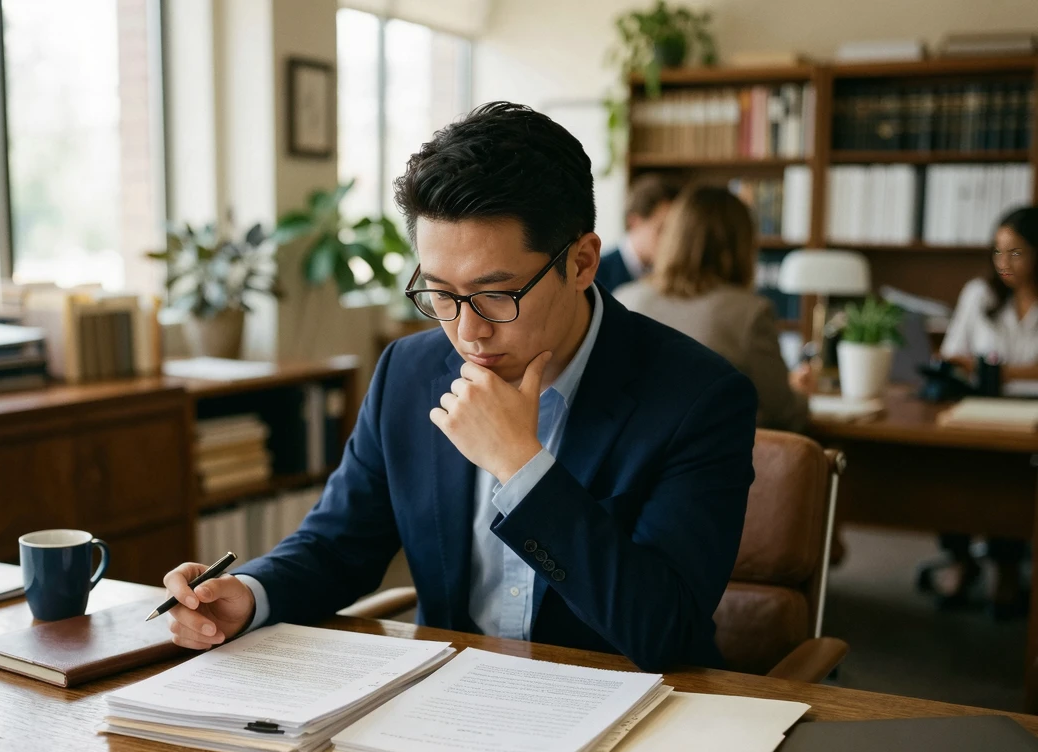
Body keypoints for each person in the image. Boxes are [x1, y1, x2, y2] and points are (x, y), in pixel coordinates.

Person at [161, 102, 758, 672]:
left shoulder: (699, 398)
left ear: (581, 263)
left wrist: (521, 467)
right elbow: (337, 545)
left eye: (498, 293)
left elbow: (662, 631)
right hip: (449, 703)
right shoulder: (407, 373)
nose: (467, 332)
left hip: (631, 711)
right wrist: (249, 593)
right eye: (440, 293)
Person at [614, 184, 811, 433]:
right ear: (742, 245)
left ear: (674, 236)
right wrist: (801, 394)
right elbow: (783, 413)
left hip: (623, 464)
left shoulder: (624, 299)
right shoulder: (750, 313)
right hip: (706, 464)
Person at [921, 205, 1038, 615]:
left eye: (1016, 252)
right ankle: (960, 559)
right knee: (951, 466)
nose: (1003, 263)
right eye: (998, 251)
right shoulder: (979, 294)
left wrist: (999, 371)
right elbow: (954, 354)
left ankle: (1007, 568)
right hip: (976, 409)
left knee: (1013, 475)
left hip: (1030, 417)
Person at [595, 175, 680, 294]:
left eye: (676, 232)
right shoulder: (595, 274)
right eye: (662, 229)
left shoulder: (675, 276)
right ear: (634, 222)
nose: (671, 242)